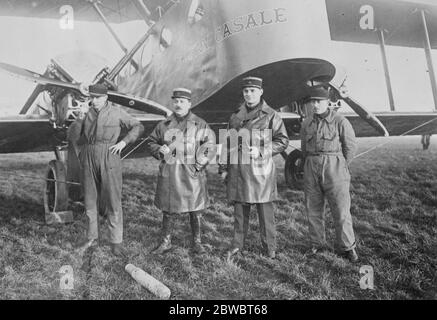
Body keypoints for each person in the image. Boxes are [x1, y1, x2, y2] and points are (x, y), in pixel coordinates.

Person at [220, 77, 289, 259]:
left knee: (265, 212)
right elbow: (228, 143)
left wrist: (260, 150)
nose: (249, 94)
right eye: (246, 91)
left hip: (261, 171)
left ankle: (270, 248)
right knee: (240, 213)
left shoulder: (271, 115)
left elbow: (282, 141)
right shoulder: (235, 116)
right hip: (238, 170)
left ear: (260, 92)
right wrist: (223, 168)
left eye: (252, 90)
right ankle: (237, 245)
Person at [75, 83, 144, 257]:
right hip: (88, 155)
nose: (94, 100)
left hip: (109, 155)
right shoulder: (86, 113)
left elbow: (138, 126)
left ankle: (116, 242)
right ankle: (91, 239)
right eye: (92, 97)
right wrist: (79, 118)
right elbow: (75, 138)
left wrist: (124, 142)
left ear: (105, 97)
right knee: (90, 200)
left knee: (113, 200)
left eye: (97, 97)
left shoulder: (116, 112)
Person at [148, 88, 215, 255]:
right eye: (176, 101)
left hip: (192, 173)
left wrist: (198, 166)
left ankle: (197, 242)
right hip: (170, 172)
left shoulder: (200, 124)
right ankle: (165, 242)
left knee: (195, 210)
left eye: (182, 101)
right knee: (168, 209)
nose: (178, 104)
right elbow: (151, 142)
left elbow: (210, 146)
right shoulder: (163, 125)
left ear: (189, 104)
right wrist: (159, 149)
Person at [300, 85, 359, 262]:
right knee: (313, 208)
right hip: (311, 165)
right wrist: (310, 163)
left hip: (334, 167)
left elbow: (350, 146)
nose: (315, 105)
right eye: (313, 102)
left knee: (341, 210)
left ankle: (347, 247)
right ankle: (317, 243)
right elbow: (304, 148)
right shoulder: (307, 122)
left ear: (327, 102)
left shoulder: (340, 121)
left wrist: (341, 166)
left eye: (319, 101)